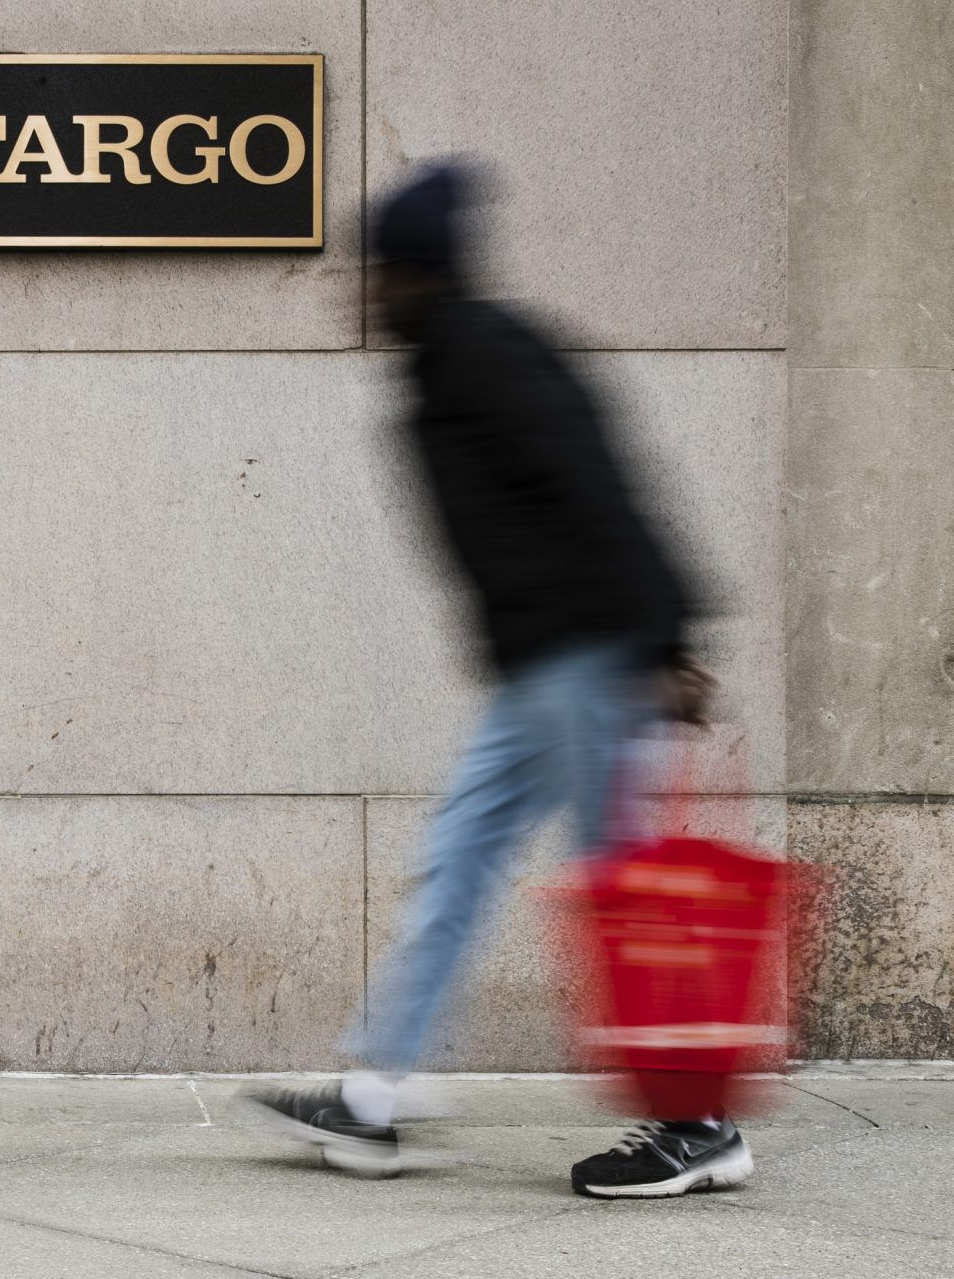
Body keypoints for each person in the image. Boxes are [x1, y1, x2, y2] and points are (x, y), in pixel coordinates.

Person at [238, 163, 750, 1198]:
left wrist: (662, 643)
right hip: (536, 672)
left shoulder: (493, 355)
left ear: (419, 274)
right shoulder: (440, 367)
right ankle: (375, 1098)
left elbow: (600, 484)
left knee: (629, 890)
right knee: (459, 856)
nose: (359, 292)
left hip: (598, 661)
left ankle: (698, 1124)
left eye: (375, 272)